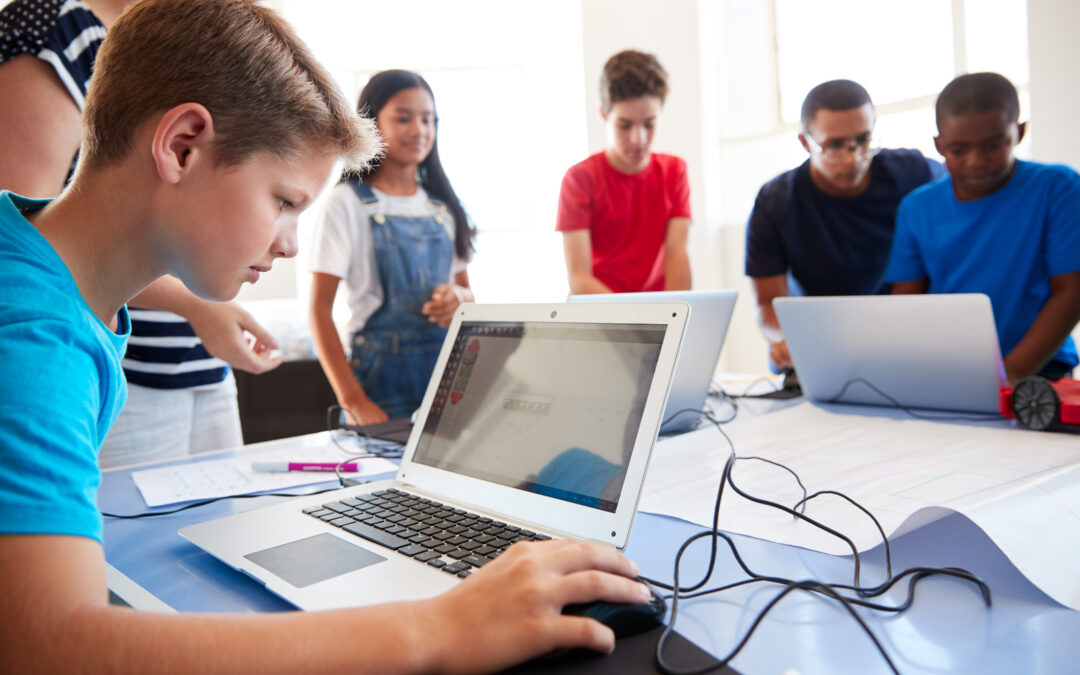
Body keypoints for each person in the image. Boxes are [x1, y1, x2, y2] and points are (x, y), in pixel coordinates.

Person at [0, 2, 650, 672]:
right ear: (182, 145)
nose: (289, 243)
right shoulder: (36, 342)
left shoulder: (39, 264)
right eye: (284, 202)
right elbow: (47, 645)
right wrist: (437, 627)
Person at [0, 0, 284, 469]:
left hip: (204, 365)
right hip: (125, 371)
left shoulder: (195, 43)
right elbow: (34, 245)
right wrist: (194, 306)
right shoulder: (57, 25)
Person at [886, 72, 1080, 384]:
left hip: (1040, 367)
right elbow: (907, 302)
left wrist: (1010, 373)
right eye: (959, 150)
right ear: (939, 145)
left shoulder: (1058, 187)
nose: (976, 161)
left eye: (993, 146)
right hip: (950, 371)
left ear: (1019, 132)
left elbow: (1072, 290)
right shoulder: (915, 208)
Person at [309, 70, 475, 425]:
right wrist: (353, 400)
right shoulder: (346, 203)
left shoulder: (444, 208)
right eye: (403, 118)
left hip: (445, 378)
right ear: (371, 123)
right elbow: (319, 310)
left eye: (428, 119)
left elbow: (468, 295)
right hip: (377, 383)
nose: (419, 130)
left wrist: (458, 299)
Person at [745, 79, 944, 371]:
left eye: (863, 140)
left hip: (899, 342)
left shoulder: (915, 174)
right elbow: (766, 305)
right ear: (805, 142)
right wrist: (788, 340)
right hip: (812, 348)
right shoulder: (776, 200)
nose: (854, 159)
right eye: (835, 146)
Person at [557, 49, 691, 295]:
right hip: (599, 309)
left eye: (649, 124)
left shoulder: (674, 171)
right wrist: (632, 316)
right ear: (604, 115)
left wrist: (680, 311)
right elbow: (578, 277)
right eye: (625, 125)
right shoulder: (580, 179)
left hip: (657, 310)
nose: (638, 139)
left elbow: (677, 256)